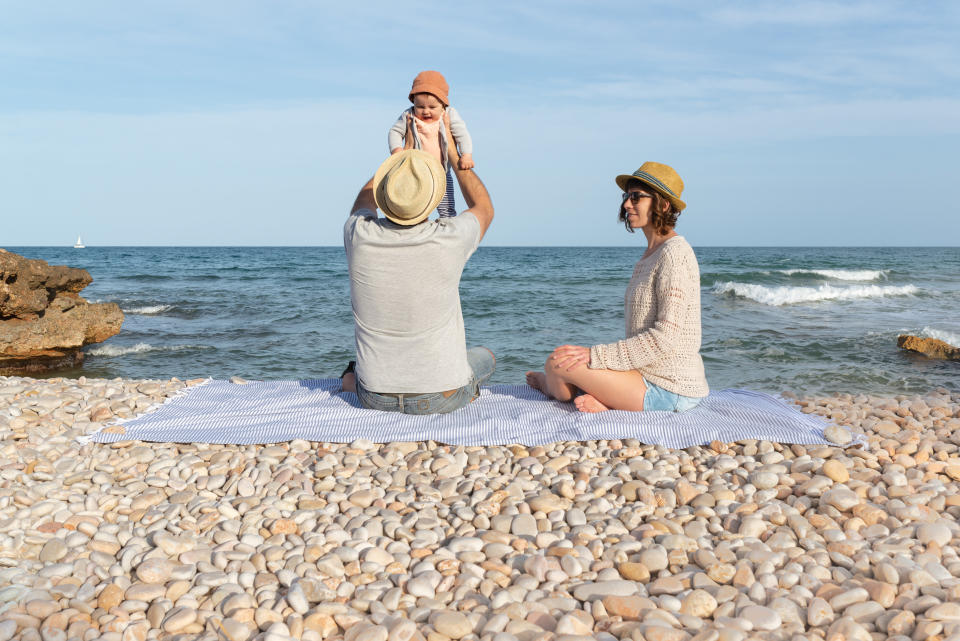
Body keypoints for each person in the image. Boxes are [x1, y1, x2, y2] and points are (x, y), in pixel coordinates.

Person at [341, 114, 495, 414]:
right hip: (441, 395)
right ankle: (466, 391)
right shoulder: (448, 238)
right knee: (485, 356)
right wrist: (452, 150)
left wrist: (401, 156)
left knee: (361, 366)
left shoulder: (359, 234)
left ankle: (351, 380)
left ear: (387, 194)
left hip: (374, 396)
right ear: (431, 196)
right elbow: (484, 208)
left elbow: (362, 200)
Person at [526, 162, 709, 413]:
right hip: (645, 374)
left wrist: (595, 355)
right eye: (626, 196)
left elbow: (665, 338)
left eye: (636, 197)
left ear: (664, 204)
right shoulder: (651, 255)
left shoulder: (674, 254)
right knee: (559, 360)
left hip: (670, 388)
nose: (626, 204)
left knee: (557, 366)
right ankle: (606, 397)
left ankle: (553, 387)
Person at [387, 70, 474, 219]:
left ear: (443, 104)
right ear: (413, 102)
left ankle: (447, 226)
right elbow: (395, 132)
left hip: (441, 171)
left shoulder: (449, 114)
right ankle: (418, 226)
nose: (426, 111)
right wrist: (397, 150)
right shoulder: (409, 115)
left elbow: (462, 134)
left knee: (446, 205)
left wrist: (466, 155)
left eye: (432, 107)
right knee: (415, 205)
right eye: (420, 107)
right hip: (416, 171)